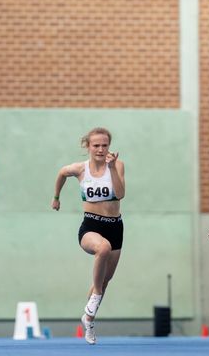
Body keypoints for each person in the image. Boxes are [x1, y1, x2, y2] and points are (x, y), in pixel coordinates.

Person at [52, 127, 125, 345]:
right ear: (88, 147)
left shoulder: (117, 165)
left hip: (115, 227)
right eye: (96, 145)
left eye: (104, 145)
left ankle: (89, 320)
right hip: (91, 226)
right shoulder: (80, 169)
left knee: (105, 280)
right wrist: (56, 197)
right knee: (101, 249)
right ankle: (95, 297)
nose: (101, 149)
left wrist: (111, 168)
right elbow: (61, 173)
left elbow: (120, 194)